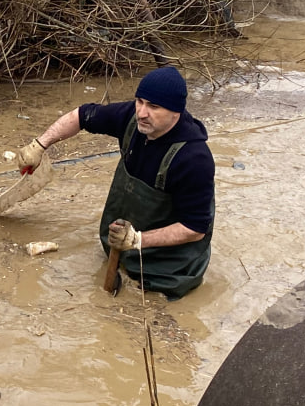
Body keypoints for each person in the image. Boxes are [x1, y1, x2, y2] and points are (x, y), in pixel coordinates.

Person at [18, 66, 214, 298]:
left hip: (169, 268)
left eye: (154, 106)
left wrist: (138, 239)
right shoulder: (131, 119)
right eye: (140, 101)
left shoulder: (194, 159)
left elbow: (194, 229)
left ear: (176, 112)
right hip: (119, 247)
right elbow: (81, 116)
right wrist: (40, 145)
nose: (142, 112)